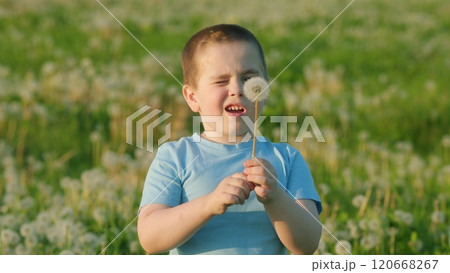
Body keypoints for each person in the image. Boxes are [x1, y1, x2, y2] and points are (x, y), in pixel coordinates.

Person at [137, 24, 322, 255]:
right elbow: (150, 239)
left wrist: (275, 197)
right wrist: (208, 204)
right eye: (221, 81)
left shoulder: (286, 159)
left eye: (248, 78)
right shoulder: (175, 157)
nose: (237, 89)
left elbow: (307, 244)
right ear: (192, 97)